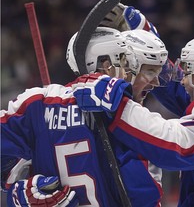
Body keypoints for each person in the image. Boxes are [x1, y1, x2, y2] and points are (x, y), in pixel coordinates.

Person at [72, 35, 194, 206]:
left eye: (187, 72)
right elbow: (177, 90)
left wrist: (116, 103)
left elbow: (171, 144)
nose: (183, 79)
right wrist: (144, 30)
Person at [1, 26, 168, 206]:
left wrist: (18, 194)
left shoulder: (38, 102)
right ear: (106, 65)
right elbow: (143, 195)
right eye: (128, 64)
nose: (131, 74)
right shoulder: (131, 118)